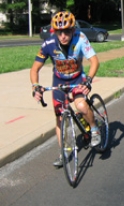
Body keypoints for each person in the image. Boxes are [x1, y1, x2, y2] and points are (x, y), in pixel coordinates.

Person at [30, 11, 101, 167]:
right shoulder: (48, 44)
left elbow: (94, 61)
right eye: (59, 32)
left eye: (67, 31)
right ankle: (64, 152)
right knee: (60, 118)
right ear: (54, 32)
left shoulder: (81, 39)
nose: (63, 35)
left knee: (81, 105)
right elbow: (35, 69)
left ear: (73, 30)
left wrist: (88, 81)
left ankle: (95, 129)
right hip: (59, 82)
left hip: (78, 79)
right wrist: (35, 86)